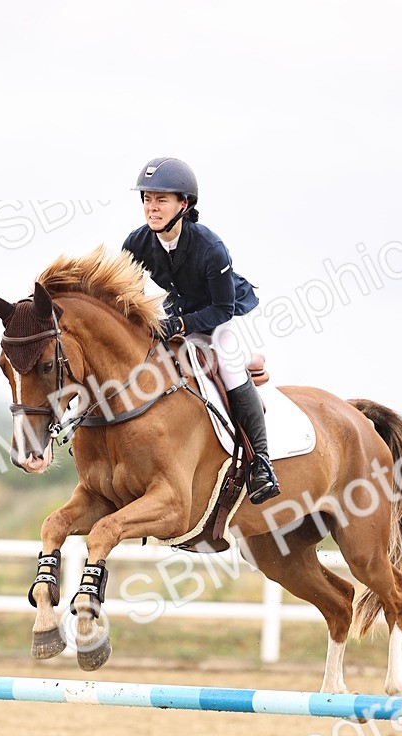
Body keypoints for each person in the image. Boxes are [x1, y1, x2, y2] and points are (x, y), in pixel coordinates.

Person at [123, 157, 280, 504]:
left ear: (184, 204)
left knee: (227, 362)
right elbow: (128, 296)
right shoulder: (136, 244)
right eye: (147, 199)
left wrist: (181, 324)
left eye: (161, 200)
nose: (152, 207)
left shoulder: (210, 248)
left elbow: (221, 309)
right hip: (171, 315)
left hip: (222, 316)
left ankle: (262, 463)